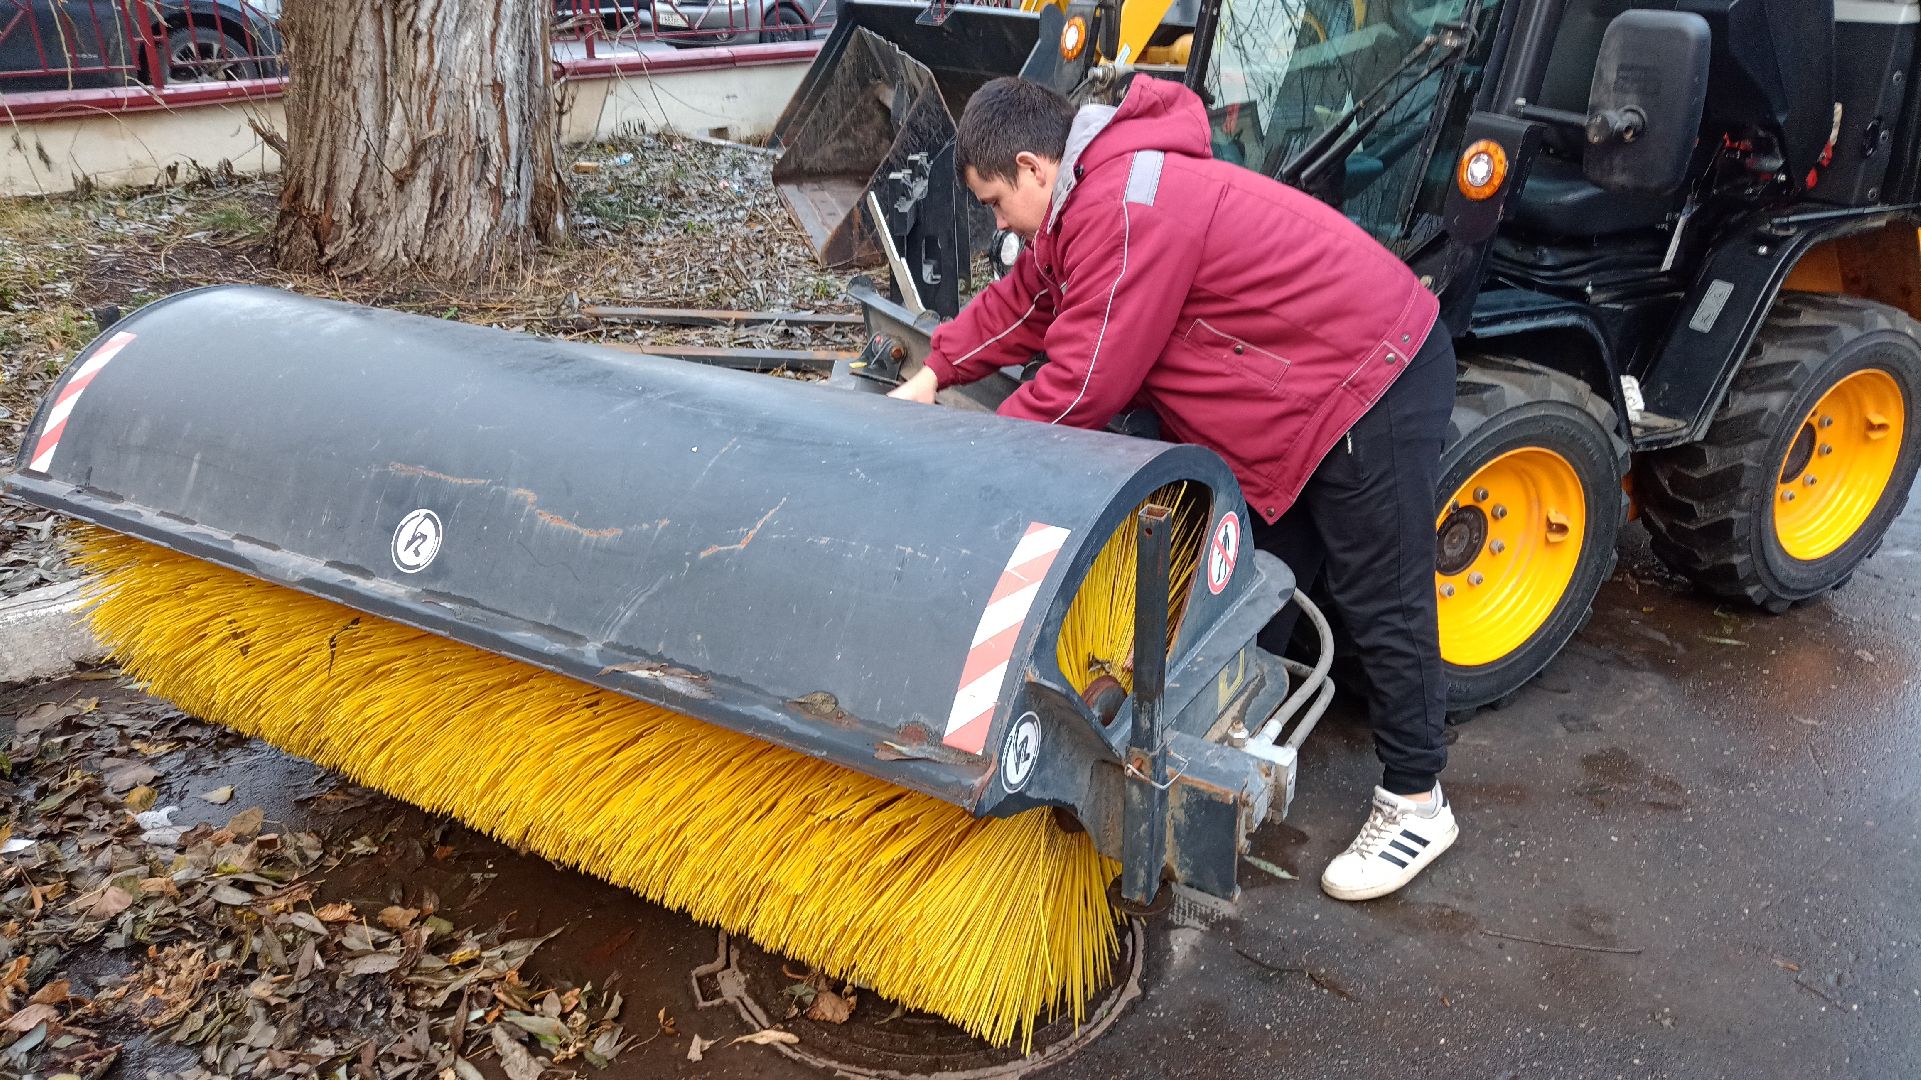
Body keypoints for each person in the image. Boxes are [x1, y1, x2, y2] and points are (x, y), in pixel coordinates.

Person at [887, 74, 1456, 901]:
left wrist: (986, 460)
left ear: (1031, 167)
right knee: (1253, 576)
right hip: (1289, 387)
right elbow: (1027, 304)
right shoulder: (1085, 197)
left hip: (1371, 375)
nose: (995, 223)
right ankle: (1230, 752)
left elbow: (1087, 381)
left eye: (993, 202)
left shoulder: (1127, 208)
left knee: (1380, 594)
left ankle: (1414, 798)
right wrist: (935, 369)